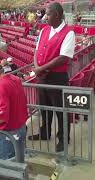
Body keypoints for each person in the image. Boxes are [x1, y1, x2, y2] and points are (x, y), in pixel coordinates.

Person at [28, 2, 76, 152]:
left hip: (57, 77)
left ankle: (63, 138)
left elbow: (63, 57)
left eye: (47, 14)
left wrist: (41, 68)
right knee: (44, 108)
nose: (45, 17)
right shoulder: (44, 31)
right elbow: (36, 50)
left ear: (56, 15)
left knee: (60, 111)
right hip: (42, 76)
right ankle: (45, 132)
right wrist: (37, 67)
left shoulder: (69, 33)